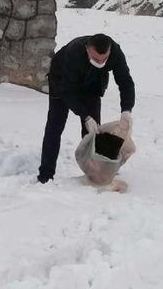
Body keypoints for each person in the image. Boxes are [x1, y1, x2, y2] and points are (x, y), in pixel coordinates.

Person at [37, 33, 135, 183]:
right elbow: (68, 92)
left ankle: (99, 173)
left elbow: (125, 82)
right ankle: (45, 175)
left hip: (92, 84)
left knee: (94, 131)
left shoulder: (115, 52)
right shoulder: (74, 53)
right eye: (96, 59)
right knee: (55, 126)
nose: (100, 62)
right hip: (62, 81)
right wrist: (85, 116)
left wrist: (126, 109)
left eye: (104, 60)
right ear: (87, 49)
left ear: (109, 51)